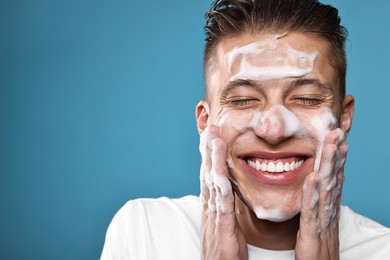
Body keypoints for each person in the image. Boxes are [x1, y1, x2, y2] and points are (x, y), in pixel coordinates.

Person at [101, 0, 390, 259]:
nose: (274, 130)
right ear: (205, 121)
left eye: (307, 99)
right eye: (242, 100)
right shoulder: (143, 234)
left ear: (344, 116)